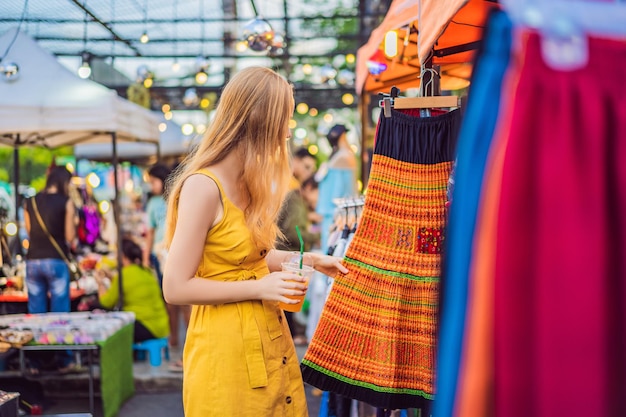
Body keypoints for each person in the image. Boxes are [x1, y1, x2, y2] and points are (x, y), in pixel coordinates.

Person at [162, 66, 347, 416]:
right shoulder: (203, 186)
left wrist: (313, 260)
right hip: (225, 352)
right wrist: (261, 288)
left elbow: (249, 258)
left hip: (268, 340)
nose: (286, 132)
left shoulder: (249, 184)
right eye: (285, 121)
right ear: (263, 122)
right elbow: (175, 287)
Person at [144, 163, 190, 350]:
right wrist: (146, 257)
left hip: (181, 252)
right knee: (169, 300)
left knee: (185, 300)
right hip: (162, 256)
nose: (151, 186)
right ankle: (173, 341)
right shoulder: (153, 203)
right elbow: (150, 232)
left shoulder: (180, 198)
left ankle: (191, 339)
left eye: (153, 181)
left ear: (163, 180)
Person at [276, 149, 320, 345]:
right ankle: (291, 336)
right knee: (288, 300)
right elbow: (294, 232)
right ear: (310, 189)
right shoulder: (295, 200)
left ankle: (290, 335)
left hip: (285, 255)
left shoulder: (297, 199)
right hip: (285, 256)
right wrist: (315, 236)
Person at [23, 166, 76, 314]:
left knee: (36, 312)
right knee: (59, 315)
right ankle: (56, 337)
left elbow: (29, 232)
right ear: (64, 182)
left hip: (33, 259)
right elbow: (69, 237)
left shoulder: (30, 201)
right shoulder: (66, 202)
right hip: (56, 260)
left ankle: (38, 337)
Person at [95, 238, 169, 343]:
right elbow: (128, 287)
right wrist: (112, 278)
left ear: (122, 256)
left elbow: (106, 303)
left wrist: (100, 283)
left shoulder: (123, 275)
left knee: (111, 327)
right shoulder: (146, 271)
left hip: (147, 327)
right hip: (162, 326)